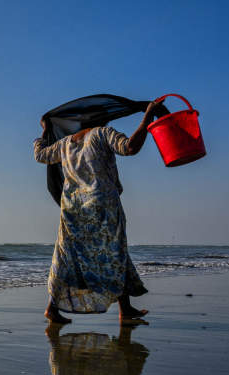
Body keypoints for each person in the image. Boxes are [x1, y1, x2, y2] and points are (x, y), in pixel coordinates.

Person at [34, 101, 163, 323]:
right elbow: (130, 148)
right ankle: (125, 310)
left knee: (67, 257)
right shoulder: (103, 134)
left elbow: (40, 155)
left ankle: (53, 308)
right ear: (101, 120)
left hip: (73, 210)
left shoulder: (65, 143)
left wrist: (44, 132)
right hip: (103, 206)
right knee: (115, 252)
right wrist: (147, 117)